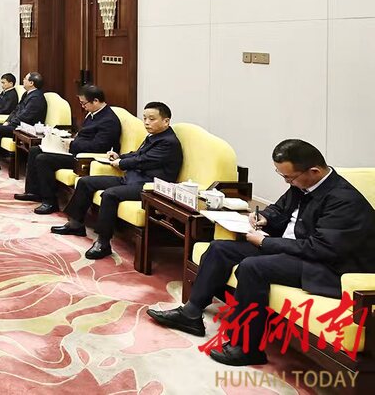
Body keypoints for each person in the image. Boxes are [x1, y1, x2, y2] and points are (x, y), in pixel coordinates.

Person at [149, 139, 375, 367]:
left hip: (328, 267)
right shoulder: (303, 184)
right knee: (219, 249)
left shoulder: (344, 201)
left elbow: (320, 248)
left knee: (253, 268)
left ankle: (246, 348)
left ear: (314, 171)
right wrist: (264, 217)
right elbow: (280, 209)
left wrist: (266, 243)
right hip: (295, 250)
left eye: (289, 177)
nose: (287, 182)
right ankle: (190, 314)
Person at [52, 101, 181, 260]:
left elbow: (143, 161)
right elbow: (137, 154)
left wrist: (121, 163)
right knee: (86, 182)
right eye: (145, 118)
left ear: (166, 121)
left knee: (110, 194)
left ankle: (103, 243)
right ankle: (75, 224)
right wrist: (120, 156)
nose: (147, 122)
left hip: (148, 186)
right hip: (132, 179)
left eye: (152, 119)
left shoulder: (169, 142)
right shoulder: (155, 136)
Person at [14, 84, 121, 214]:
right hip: (75, 150)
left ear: (96, 101)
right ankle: (33, 191)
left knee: (43, 159)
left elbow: (99, 147)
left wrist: (72, 144)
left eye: (84, 103)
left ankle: (50, 201)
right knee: (35, 150)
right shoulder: (93, 113)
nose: (83, 106)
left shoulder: (109, 120)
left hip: (85, 158)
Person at [0, 73, 48, 172]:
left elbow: (26, 116)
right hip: (17, 124)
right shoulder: (27, 94)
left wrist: (11, 123)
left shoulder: (36, 97)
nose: (23, 80)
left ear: (31, 83)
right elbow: (16, 110)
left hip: (25, 128)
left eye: (25, 79)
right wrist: (8, 121)